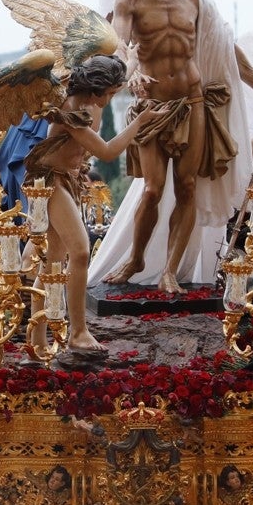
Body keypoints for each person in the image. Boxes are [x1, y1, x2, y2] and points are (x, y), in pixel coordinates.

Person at [89, 0, 253, 293]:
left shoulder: (195, 0)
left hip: (193, 100)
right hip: (152, 106)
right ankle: (135, 259)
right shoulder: (129, 0)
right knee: (152, 189)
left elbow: (224, 48)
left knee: (187, 186)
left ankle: (170, 269)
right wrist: (130, 68)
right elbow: (117, 40)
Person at [22, 55, 156, 350]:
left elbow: (121, 71)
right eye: (108, 94)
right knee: (80, 251)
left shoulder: (94, 95)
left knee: (53, 262)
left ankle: (36, 340)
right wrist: (140, 122)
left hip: (68, 180)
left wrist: (136, 56)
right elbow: (107, 151)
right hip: (49, 180)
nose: (110, 99)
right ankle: (78, 332)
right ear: (95, 88)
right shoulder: (70, 108)